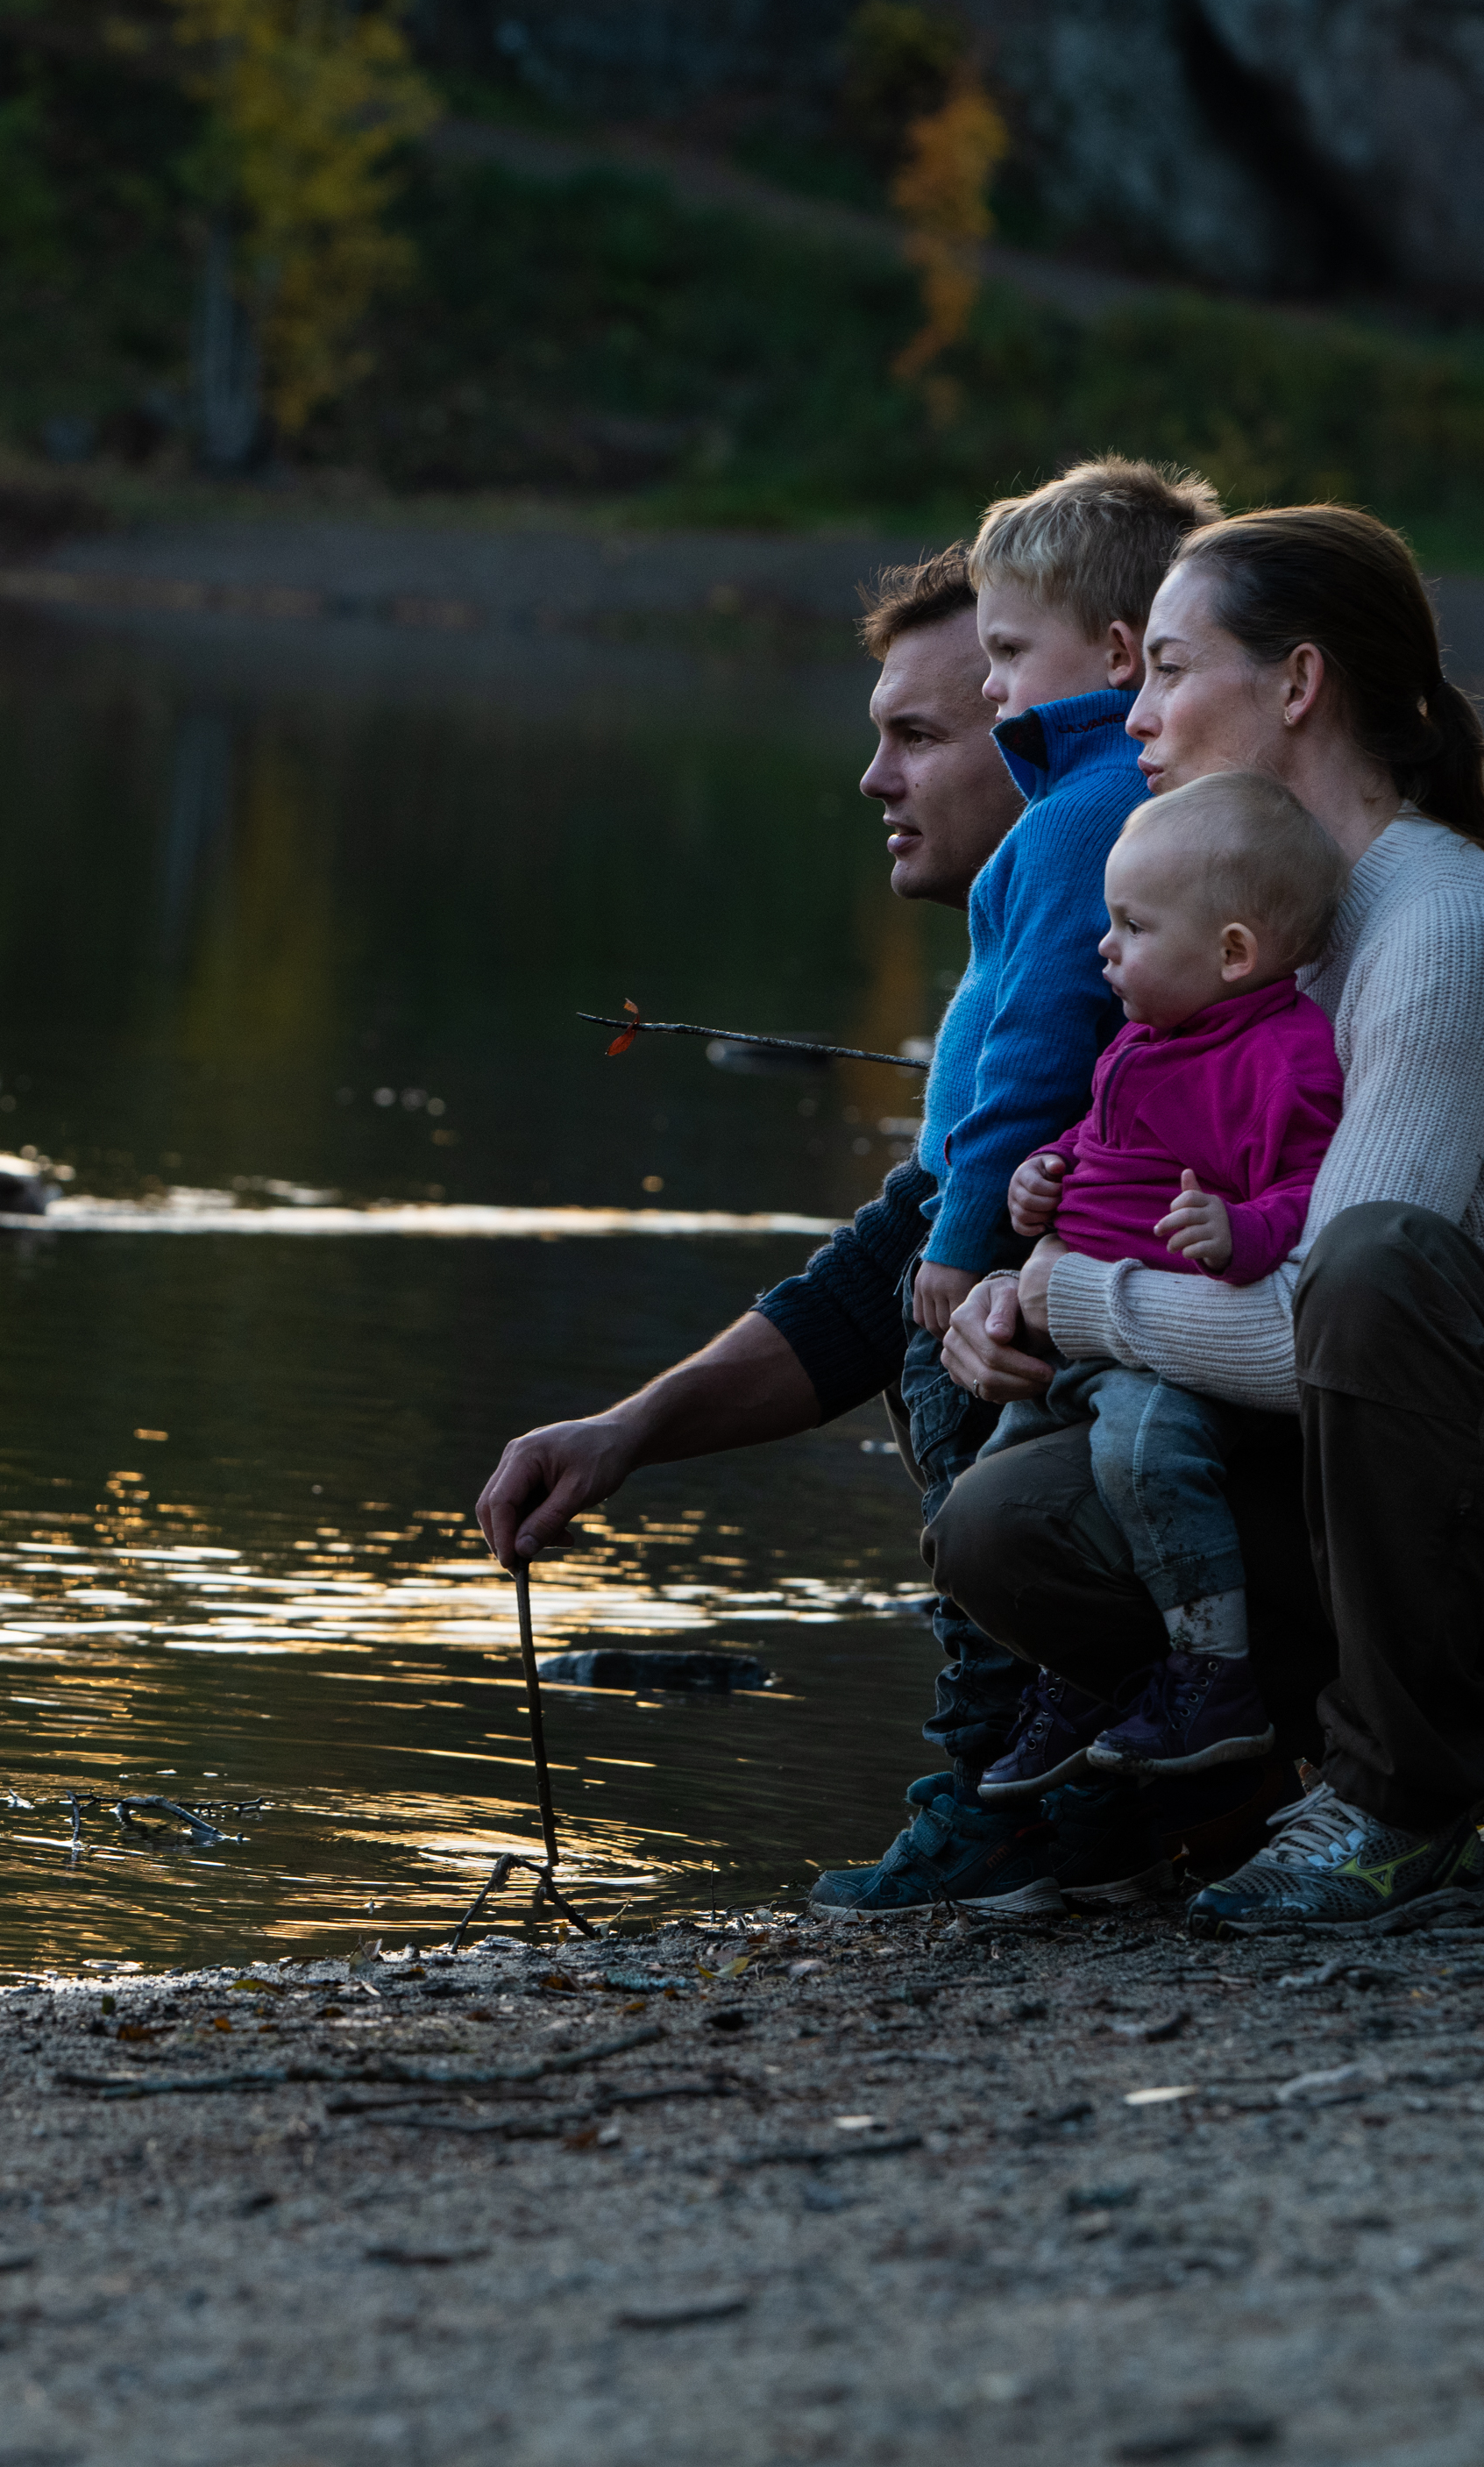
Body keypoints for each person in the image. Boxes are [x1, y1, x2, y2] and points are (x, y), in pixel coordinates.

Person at [930, 504, 1484, 1937]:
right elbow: (1204, 1238)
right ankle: (1245, 1776)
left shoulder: (1439, 928)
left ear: (1296, 685)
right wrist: (1025, 1283)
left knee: (1366, 1266)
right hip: (1423, 1474)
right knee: (1005, 1523)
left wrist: (1073, 1296)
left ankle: (1395, 1802)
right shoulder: (1271, 946)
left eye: (1171, 668)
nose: (1132, 712)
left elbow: (1320, 1309)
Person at [476, 458, 1235, 1922]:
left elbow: (946, 1251)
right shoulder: (1098, 927)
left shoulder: (1123, 907)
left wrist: (983, 1266)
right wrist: (626, 1431)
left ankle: (1082, 1798)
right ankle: (1064, 1789)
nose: (873, 780)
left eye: (920, 731)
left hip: (1229, 1471)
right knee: (933, 1320)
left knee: (971, 1392)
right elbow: (875, 1268)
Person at [970, 771, 1346, 1800]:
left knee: (1144, 1459)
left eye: (1133, 926)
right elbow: (1097, 1142)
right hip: (1074, 1335)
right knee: (993, 1491)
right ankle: (1087, 1678)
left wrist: (1241, 1227)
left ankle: (1212, 1670)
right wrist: (1040, 1172)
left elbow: (1315, 1193)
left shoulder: (1287, 1059)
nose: (1105, 948)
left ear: (1233, 951)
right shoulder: (1141, 1042)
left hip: (1165, 1341)